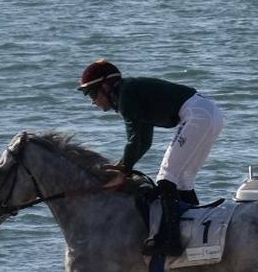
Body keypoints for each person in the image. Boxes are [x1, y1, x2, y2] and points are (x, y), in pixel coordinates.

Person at [77, 60, 226, 257]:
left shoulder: (126, 96)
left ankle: (171, 240)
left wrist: (124, 169)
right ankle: (194, 232)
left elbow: (135, 139)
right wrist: (125, 167)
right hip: (209, 113)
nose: (92, 101)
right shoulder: (129, 92)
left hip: (197, 115)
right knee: (182, 181)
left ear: (105, 86)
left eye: (92, 93)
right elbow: (144, 141)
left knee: (166, 177)